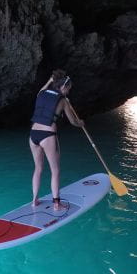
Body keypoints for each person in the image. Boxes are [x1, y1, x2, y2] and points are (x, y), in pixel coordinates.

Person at [29, 69, 84, 211]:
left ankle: (34, 200)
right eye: (68, 89)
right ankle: (56, 204)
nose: (68, 92)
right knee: (55, 170)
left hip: (33, 134)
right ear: (63, 86)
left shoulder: (41, 93)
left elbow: (44, 88)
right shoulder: (63, 100)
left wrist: (50, 80)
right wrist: (81, 123)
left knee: (38, 168)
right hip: (47, 135)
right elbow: (73, 121)